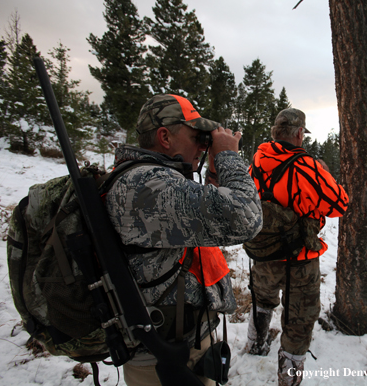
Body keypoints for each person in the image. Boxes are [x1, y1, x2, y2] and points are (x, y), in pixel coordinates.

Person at [105, 94, 262, 386]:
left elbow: (206, 220)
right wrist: (228, 155)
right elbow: (246, 217)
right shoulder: (146, 186)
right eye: (198, 137)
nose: (204, 145)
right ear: (165, 136)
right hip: (162, 360)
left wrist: (214, 166)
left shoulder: (150, 178)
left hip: (176, 347)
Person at [245, 108, 348, 386]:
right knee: (299, 321)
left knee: (262, 300)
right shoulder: (308, 167)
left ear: (275, 133)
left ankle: (256, 344)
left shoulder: (256, 160)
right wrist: (324, 174)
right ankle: (288, 379)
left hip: (263, 252)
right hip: (299, 259)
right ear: (300, 133)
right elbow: (340, 204)